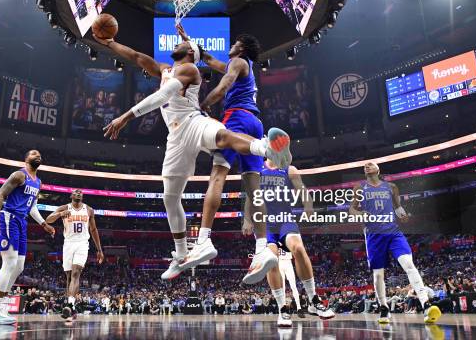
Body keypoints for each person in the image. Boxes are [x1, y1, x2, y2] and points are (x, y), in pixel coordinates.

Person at [94, 31, 292, 281]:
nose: (176, 44)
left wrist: (125, 117)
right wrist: (110, 43)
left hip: (193, 120)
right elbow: (135, 56)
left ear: (189, 54)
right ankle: (181, 255)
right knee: (170, 196)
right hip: (175, 135)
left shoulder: (190, 70)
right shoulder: (166, 68)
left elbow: (164, 96)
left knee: (221, 141)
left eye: (182, 44)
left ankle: (266, 149)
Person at [175, 25, 286, 285]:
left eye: (235, 42)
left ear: (242, 47)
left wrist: (200, 107)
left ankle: (203, 240)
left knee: (217, 176)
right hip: (255, 123)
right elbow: (208, 58)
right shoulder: (240, 65)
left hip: (236, 119)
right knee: (253, 189)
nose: (231, 45)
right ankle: (261, 249)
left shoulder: (237, 62)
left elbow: (223, 88)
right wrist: (187, 40)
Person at [350, 162, 442, 324]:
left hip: (393, 232)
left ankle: (426, 305)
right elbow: (352, 209)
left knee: (408, 263)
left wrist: (403, 215)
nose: (367, 166)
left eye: (370, 164)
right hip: (374, 235)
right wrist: (359, 213)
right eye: (365, 165)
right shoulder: (359, 188)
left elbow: (398, 207)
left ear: (378, 170)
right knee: (378, 274)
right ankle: (384, 307)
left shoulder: (391, 187)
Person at [261, 159, 335, 326]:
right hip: (265, 222)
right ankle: (283, 309)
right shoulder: (257, 167)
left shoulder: (289, 169)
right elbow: (252, 195)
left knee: (299, 249)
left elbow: (302, 189)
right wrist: (247, 219)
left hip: (285, 219)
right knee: (271, 260)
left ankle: (313, 300)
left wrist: (308, 205)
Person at [0, 150, 55, 325]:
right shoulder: (19, 175)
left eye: (40, 154)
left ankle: (0, 308)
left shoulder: (38, 182)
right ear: (26, 159)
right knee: (9, 263)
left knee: (19, 266)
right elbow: (0, 195)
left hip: (22, 222)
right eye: (34, 154)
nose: (38, 155)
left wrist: (43, 224)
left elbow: (32, 207)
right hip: (9, 217)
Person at [45, 189, 104, 322]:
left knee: (76, 273)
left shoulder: (89, 210)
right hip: (68, 244)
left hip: (82, 243)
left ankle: (70, 304)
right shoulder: (65, 207)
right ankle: (71, 309)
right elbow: (48, 220)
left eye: (80, 192)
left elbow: (93, 230)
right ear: (71, 196)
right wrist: (60, 214)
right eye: (75, 192)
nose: (78, 193)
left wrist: (99, 249)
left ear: (82, 196)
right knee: (68, 277)